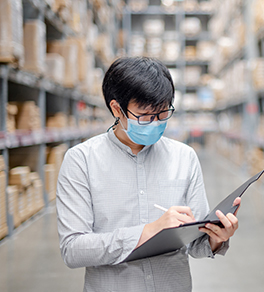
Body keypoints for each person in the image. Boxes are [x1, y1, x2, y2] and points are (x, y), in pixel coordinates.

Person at [56, 57, 241, 292]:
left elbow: (196, 244)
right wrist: (149, 231)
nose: (156, 123)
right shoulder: (81, 161)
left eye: (163, 113)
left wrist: (217, 237)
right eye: (145, 116)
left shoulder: (184, 158)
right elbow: (73, 250)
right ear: (116, 109)